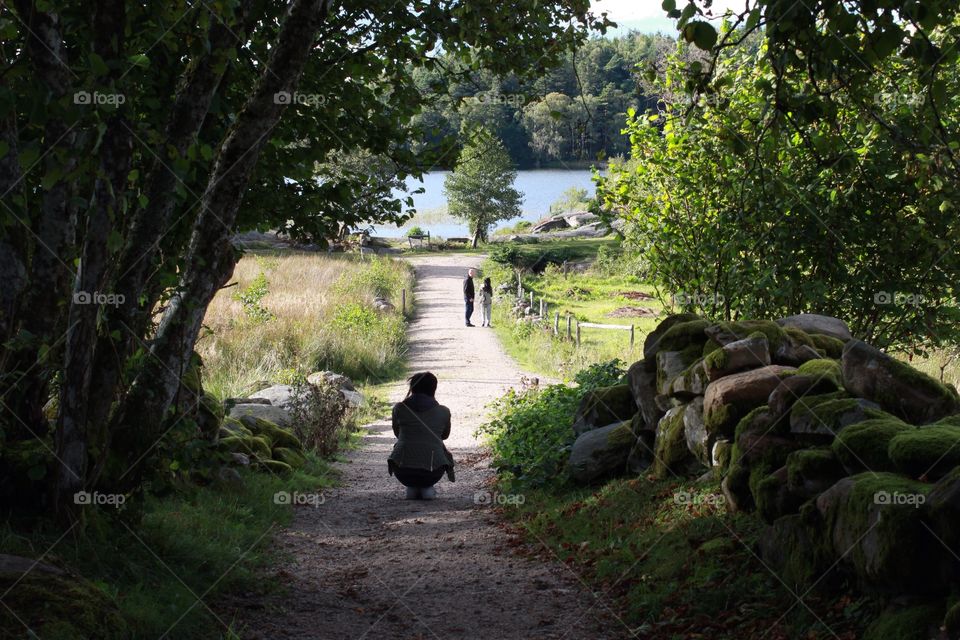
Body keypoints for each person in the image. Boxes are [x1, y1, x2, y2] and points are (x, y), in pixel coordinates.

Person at [388, 372, 455, 500]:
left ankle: (413, 488)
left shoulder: (399, 408)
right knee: (440, 447)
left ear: (412, 388)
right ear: (433, 389)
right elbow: (444, 436)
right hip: (432, 472)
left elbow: (398, 434)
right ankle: (426, 487)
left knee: (400, 445)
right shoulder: (444, 411)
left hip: (402, 472)